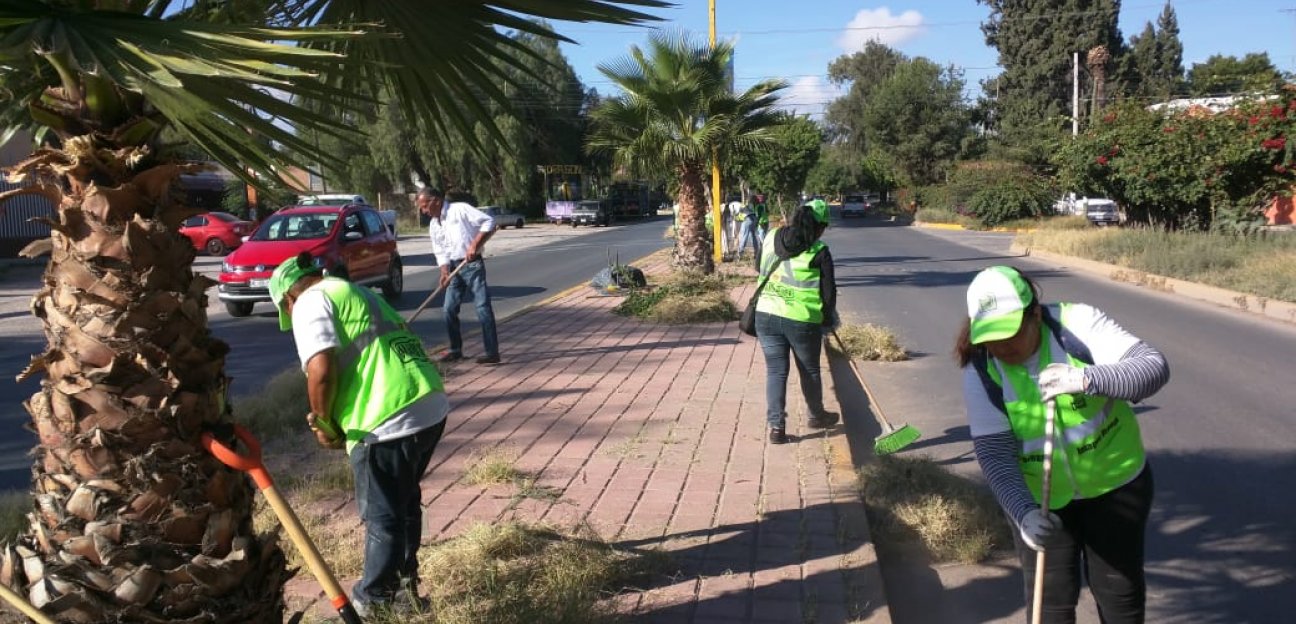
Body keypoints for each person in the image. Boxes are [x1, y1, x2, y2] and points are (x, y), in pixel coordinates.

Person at [955, 265, 1170, 624]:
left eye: (1010, 334)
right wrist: (1021, 511)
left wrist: (1086, 378)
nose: (1002, 347)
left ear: (1035, 314)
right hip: (1040, 499)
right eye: (991, 337)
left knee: (1120, 594)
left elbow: (1152, 368)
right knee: (1049, 602)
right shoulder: (980, 367)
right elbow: (994, 450)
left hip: (1115, 484)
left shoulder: (1078, 324)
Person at [268, 252, 448, 617]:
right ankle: (404, 591)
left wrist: (325, 424)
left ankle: (375, 599)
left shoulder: (309, 301)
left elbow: (321, 370)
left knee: (383, 513)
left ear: (288, 298)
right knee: (404, 501)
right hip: (427, 404)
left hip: (386, 416)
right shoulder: (357, 293)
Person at [754, 199, 840, 444]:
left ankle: (776, 427)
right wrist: (828, 318)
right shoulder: (819, 250)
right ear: (820, 226)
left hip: (766, 315)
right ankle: (816, 415)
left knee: (776, 371)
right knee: (809, 370)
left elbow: (757, 265)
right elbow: (828, 293)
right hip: (802, 321)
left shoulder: (772, 236)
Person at [415, 187, 500, 364]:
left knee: (482, 306)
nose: (423, 211)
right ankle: (455, 349)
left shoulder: (459, 209)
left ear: (435, 201)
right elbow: (440, 250)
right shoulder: (434, 224)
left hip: (471, 264)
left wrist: (474, 245)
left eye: (424, 207)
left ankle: (492, 352)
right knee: (448, 309)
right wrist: (444, 271)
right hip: (454, 267)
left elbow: (489, 221)